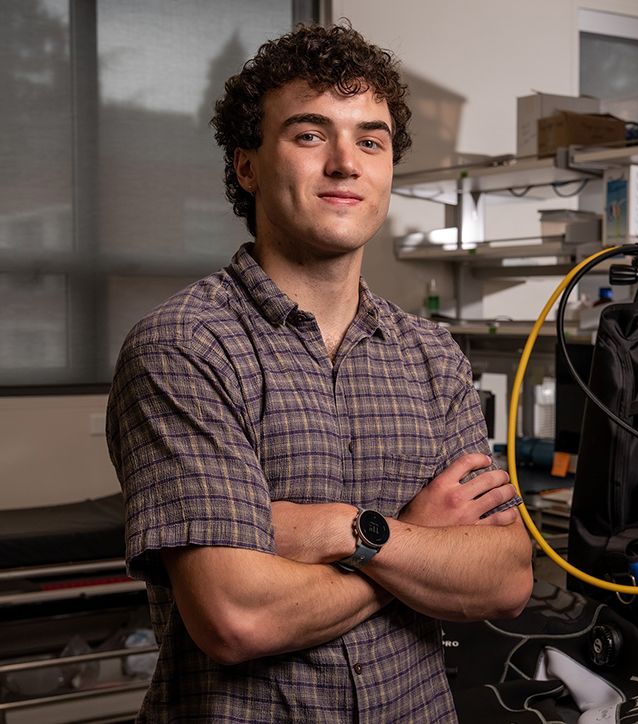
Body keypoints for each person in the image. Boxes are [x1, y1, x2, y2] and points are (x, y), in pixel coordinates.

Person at [106, 22, 533, 722]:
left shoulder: (431, 355)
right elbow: (236, 615)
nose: (345, 163)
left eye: (370, 140)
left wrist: (348, 532)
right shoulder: (183, 347)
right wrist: (413, 542)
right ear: (247, 165)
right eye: (310, 135)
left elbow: (506, 577)